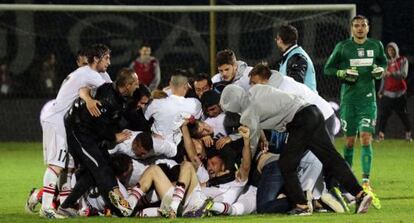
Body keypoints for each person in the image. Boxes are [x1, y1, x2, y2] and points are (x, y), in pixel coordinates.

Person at [220, 84, 372, 215]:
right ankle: (360, 194)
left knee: (286, 164)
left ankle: (302, 205)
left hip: (299, 121)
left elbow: (251, 144)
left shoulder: (248, 112)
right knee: (331, 158)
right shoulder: (256, 89)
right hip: (313, 112)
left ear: (233, 105)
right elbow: (264, 113)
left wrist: (243, 168)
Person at [36, 44, 112, 218]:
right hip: (57, 120)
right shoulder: (90, 74)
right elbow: (111, 92)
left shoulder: (87, 73)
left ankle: (63, 205)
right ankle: (46, 208)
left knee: (66, 166)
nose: (109, 61)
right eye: (106, 58)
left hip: (61, 121)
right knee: (56, 165)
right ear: (96, 59)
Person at [324, 15, 387, 206]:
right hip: (349, 101)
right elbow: (328, 69)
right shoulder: (343, 47)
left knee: (366, 138)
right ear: (352, 28)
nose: (360, 28)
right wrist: (342, 73)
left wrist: (380, 70)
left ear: (368, 28)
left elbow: (383, 63)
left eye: (363, 25)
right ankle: (348, 181)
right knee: (350, 142)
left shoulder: (376, 46)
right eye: (356, 25)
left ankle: (366, 182)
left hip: (368, 101)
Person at [59, 68, 139, 217]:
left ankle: (66, 206)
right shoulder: (108, 99)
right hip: (80, 133)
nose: (138, 86)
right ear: (127, 85)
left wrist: (87, 98)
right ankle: (118, 202)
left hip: (92, 134)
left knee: (96, 170)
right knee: (99, 167)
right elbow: (100, 127)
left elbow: (84, 90)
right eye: (136, 83)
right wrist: (115, 137)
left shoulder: (112, 91)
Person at [377, 42, 412, 141]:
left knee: (403, 115)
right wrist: (381, 90)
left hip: (400, 93)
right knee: (383, 115)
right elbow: (384, 78)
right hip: (387, 93)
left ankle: (408, 135)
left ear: (396, 50)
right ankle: (381, 136)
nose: (391, 51)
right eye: (389, 50)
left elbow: (404, 74)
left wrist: (391, 73)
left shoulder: (403, 60)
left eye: (392, 49)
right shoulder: (387, 63)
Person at [275, 24, 317, 92]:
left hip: (306, 102)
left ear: (280, 40)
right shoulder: (291, 56)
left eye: (277, 38)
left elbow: (295, 87)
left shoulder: (297, 57)